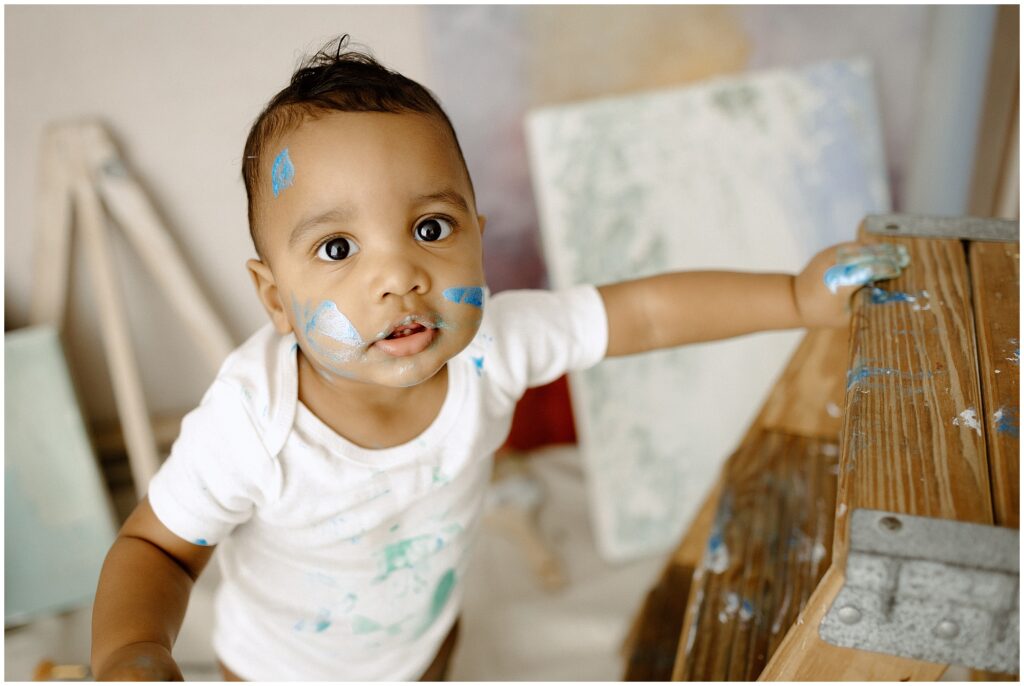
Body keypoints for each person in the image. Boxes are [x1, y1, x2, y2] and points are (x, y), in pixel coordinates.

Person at [90, 36, 908, 681]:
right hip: (278, 672)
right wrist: (132, 655)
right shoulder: (252, 421)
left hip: (429, 642)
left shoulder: (496, 347)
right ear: (274, 299)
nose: (399, 275)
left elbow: (647, 313)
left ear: (478, 236)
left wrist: (796, 299)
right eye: (338, 246)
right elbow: (156, 549)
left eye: (432, 228)